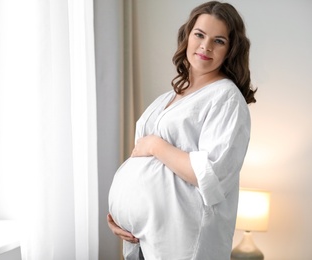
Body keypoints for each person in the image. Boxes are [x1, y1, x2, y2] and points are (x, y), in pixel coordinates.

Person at [107, 1, 257, 260]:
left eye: (218, 41)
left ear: (231, 49)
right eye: (199, 34)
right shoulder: (170, 96)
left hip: (181, 244)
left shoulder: (226, 98)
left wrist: (155, 145)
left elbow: (211, 174)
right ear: (187, 35)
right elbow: (142, 167)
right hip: (143, 238)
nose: (205, 46)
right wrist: (122, 217)